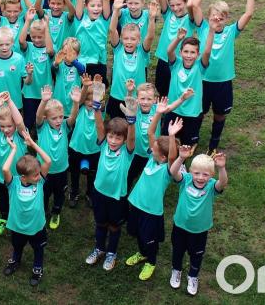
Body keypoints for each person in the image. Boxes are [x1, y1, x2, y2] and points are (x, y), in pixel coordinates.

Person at [192, 0, 260, 153]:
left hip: (223, 82)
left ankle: (213, 144)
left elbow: (248, 13)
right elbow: (194, 5)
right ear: (208, 17)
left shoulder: (231, 31)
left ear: (226, 18)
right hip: (202, 80)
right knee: (199, 112)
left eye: (221, 17)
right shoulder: (203, 27)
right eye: (214, 16)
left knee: (220, 115)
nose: (217, 19)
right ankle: (193, 139)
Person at [124, 103, 181, 281]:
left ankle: (151, 261)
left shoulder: (168, 170)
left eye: (154, 149)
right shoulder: (152, 159)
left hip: (151, 211)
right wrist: (158, 113)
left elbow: (173, 157)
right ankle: (142, 253)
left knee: (149, 238)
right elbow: (150, 133)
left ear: (163, 157)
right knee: (137, 233)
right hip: (136, 204)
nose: (151, 149)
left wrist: (172, 136)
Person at [83, 79, 136, 272]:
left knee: (114, 226)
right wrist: (97, 107)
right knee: (100, 223)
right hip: (99, 192)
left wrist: (131, 121)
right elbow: (99, 127)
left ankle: (111, 252)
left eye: (118, 137)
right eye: (111, 136)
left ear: (123, 139)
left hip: (117, 196)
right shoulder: (104, 144)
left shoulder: (127, 152)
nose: (113, 141)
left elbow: (132, 138)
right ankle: (99, 249)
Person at [169, 148, 229, 296]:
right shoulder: (186, 180)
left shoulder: (211, 186)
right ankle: (176, 270)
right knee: (177, 251)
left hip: (200, 230)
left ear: (212, 175)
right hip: (180, 226)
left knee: (196, 255)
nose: (200, 178)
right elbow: (173, 172)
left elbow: (223, 183)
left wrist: (222, 168)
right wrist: (181, 158)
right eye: (196, 173)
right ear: (190, 172)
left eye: (205, 174)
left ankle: (193, 276)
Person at [1, 130, 53, 287]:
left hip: (36, 226)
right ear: (24, 177)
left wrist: (33, 144)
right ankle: (15, 261)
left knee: (38, 248)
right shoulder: (13, 183)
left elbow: (48, 161)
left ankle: (37, 268)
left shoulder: (40, 182)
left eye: (39, 173)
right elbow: (5, 169)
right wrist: (14, 150)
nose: (39, 176)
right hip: (18, 225)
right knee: (17, 245)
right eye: (35, 175)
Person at [160, 26, 215, 146]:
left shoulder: (200, 67)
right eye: (186, 51)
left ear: (198, 54)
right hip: (173, 110)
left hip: (192, 114)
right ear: (180, 53)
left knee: (186, 146)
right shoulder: (176, 64)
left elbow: (207, 52)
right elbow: (169, 51)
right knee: (166, 144)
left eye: (192, 52)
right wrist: (178, 38)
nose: (189, 55)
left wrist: (211, 30)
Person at [35, 85, 80, 230]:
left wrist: (76, 103)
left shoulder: (65, 126)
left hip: (61, 170)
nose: (58, 120)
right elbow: (38, 116)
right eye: (54, 118)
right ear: (46, 118)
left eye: (61, 117)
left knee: (59, 194)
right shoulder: (42, 127)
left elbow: (73, 117)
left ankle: (56, 212)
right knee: (43, 193)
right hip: (43, 170)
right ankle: (43, 210)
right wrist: (44, 101)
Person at [105, 0, 157, 118]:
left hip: (136, 98)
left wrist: (151, 19)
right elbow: (112, 30)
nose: (129, 42)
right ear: (121, 39)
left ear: (139, 40)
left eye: (133, 39)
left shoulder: (142, 51)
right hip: (117, 96)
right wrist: (116, 10)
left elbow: (150, 37)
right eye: (126, 38)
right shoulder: (118, 49)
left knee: (133, 125)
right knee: (117, 125)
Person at [0, 92, 27, 237]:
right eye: (2, 126)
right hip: (1, 177)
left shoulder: (20, 135)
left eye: (9, 126)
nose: (6, 129)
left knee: (19, 199)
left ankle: (18, 219)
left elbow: (20, 122)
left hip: (18, 177)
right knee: (4, 198)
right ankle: (4, 218)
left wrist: (10, 102)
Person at [67, 74, 101, 208]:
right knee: (75, 172)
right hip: (76, 147)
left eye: (93, 100)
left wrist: (97, 87)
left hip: (94, 148)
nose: (91, 103)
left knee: (92, 173)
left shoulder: (99, 111)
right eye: (88, 100)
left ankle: (90, 193)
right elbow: (79, 100)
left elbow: (98, 100)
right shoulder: (80, 109)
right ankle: (74, 192)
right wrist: (85, 87)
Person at [19, 11, 55, 131]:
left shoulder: (50, 47)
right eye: (33, 37)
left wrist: (47, 27)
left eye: (40, 37)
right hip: (30, 91)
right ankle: (27, 139)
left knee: (45, 120)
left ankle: (42, 139)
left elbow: (49, 50)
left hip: (46, 92)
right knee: (28, 121)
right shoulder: (29, 47)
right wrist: (28, 21)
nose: (36, 40)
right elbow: (21, 41)